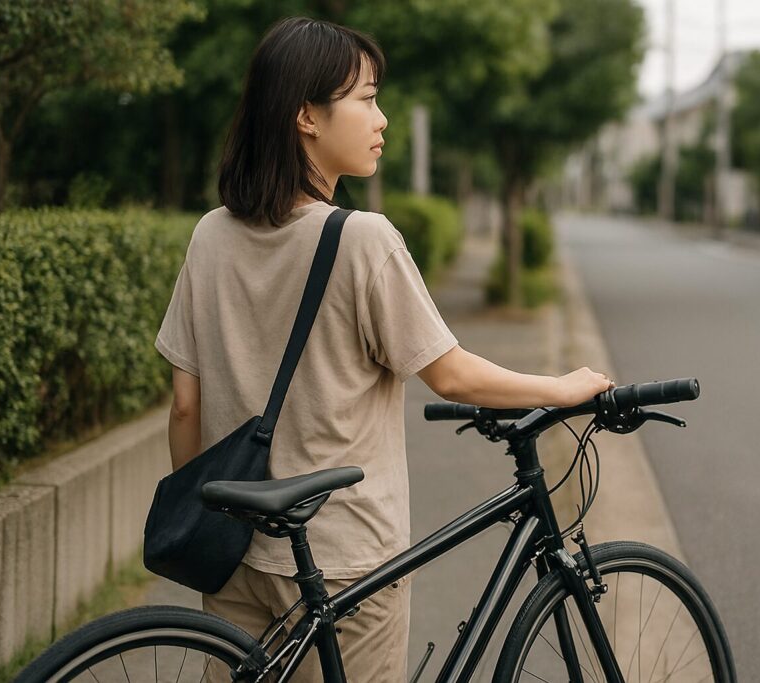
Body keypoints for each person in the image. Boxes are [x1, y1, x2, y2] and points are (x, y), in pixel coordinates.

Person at [153, 16, 614, 682]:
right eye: (366, 99)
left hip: (233, 554)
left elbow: (184, 403)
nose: (383, 118)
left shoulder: (211, 235)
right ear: (307, 116)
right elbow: (450, 375)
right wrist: (562, 387)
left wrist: (206, 521)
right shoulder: (363, 240)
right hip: (344, 561)